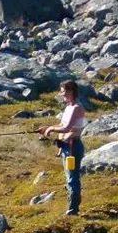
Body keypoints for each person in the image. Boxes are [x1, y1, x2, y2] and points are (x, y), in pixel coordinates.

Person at [39, 79, 86, 216]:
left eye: (64, 91)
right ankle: (71, 206)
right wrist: (47, 128)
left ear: (71, 91)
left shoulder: (77, 108)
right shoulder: (68, 107)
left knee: (72, 177)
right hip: (66, 146)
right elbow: (61, 124)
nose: (62, 94)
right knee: (69, 176)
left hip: (73, 147)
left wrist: (51, 129)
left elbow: (66, 128)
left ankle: (73, 208)